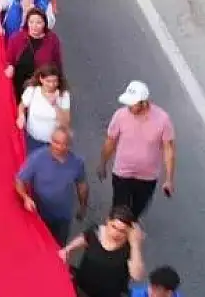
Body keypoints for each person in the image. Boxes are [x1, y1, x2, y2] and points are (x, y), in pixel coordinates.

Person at [96, 81, 176, 221]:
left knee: (135, 214)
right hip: (122, 173)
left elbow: (168, 150)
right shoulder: (120, 116)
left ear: (144, 103)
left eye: (132, 104)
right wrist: (103, 163)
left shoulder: (162, 119)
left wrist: (169, 179)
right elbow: (110, 142)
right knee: (119, 211)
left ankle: (127, 233)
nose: (129, 107)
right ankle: (114, 235)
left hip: (147, 177)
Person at [16, 127, 88, 246]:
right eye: (55, 142)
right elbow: (19, 180)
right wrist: (25, 198)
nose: (58, 147)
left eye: (63, 144)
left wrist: (83, 207)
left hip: (63, 216)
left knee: (59, 245)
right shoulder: (37, 158)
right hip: (39, 214)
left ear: (69, 145)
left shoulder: (77, 163)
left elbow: (82, 185)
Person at [61, 206, 147, 297]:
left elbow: (137, 275)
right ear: (108, 221)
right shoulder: (96, 232)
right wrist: (68, 249)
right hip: (82, 287)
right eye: (113, 226)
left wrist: (136, 244)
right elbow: (84, 238)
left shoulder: (130, 248)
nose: (116, 233)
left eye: (122, 231)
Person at [3, 8, 63, 103]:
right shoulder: (16, 38)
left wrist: (58, 87)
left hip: (40, 86)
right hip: (19, 83)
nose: (34, 26)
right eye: (31, 22)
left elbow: (57, 64)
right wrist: (10, 66)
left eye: (38, 23)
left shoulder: (52, 40)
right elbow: (9, 59)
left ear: (44, 24)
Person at [16, 65, 71, 153]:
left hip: (54, 143)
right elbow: (22, 106)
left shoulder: (63, 95)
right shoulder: (32, 90)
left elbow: (65, 123)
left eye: (55, 81)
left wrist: (55, 105)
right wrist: (21, 115)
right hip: (33, 141)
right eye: (48, 81)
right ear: (41, 79)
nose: (52, 85)